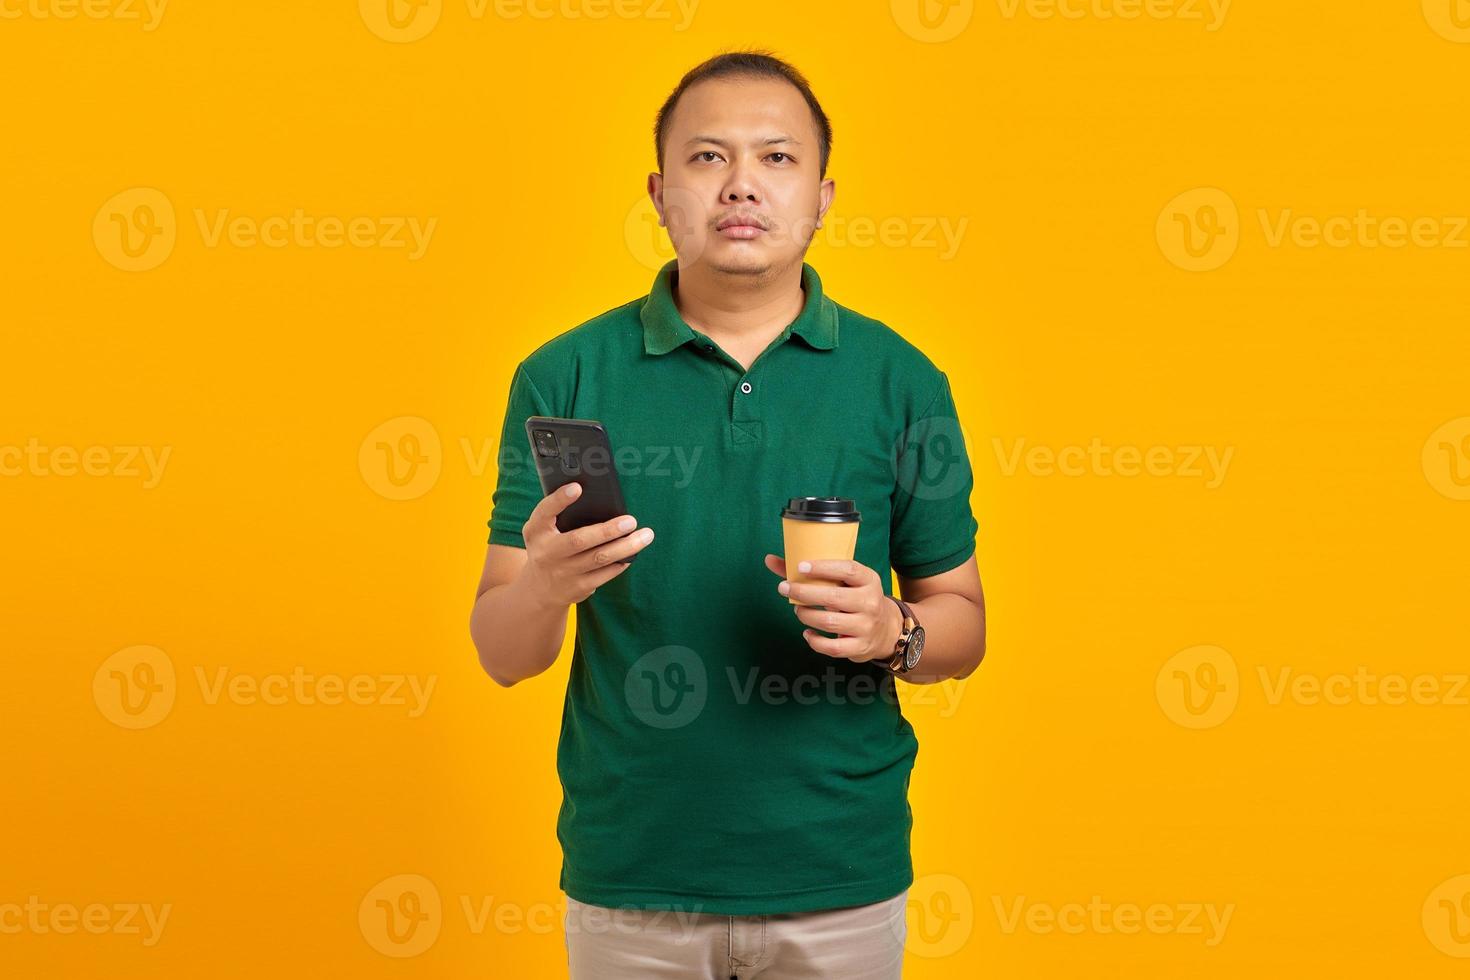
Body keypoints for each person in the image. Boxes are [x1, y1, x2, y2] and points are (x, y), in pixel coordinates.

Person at [469, 50, 986, 980]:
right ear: (661, 193)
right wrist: (545, 585)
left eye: (777, 159)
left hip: (840, 873)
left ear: (823, 196)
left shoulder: (903, 380)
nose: (742, 184)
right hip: (633, 874)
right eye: (709, 159)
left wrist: (891, 629)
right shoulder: (565, 376)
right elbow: (504, 654)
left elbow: (964, 625)